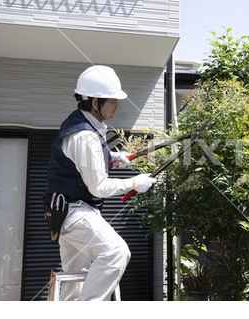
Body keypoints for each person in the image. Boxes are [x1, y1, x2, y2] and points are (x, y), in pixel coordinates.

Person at [45, 65, 156, 301]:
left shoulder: (83, 124)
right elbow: (99, 187)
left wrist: (113, 157)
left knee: (77, 279)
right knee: (116, 252)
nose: (117, 104)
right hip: (75, 212)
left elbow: (80, 162)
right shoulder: (85, 136)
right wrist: (135, 182)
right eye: (113, 100)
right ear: (96, 103)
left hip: (65, 212)